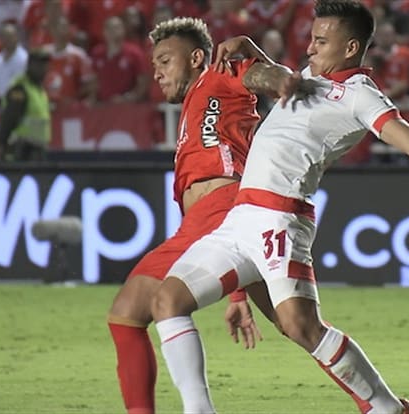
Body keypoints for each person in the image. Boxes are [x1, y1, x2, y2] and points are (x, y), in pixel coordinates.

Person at [150, 1, 409, 414]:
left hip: (278, 220)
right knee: (168, 302)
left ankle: (387, 409)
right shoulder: (312, 75)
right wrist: (250, 46)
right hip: (240, 217)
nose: (310, 48)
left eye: (321, 41)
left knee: (301, 326)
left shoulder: (359, 96)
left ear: (350, 47)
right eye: (311, 38)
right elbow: (283, 82)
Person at [107, 17, 312, 414]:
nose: (157, 73)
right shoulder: (192, 107)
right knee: (296, 325)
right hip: (206, 223)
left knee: (128, 313)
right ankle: (378, 402)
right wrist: (237, 292)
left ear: (197, 58)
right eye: (154, 64)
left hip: (225, 208)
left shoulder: (220, 76)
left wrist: (270, 69)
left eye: (165, 61)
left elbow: (269, 78)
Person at [0, 50, 52, 162]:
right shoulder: (20, 88)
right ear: (29, 65)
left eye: (45, 65)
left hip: (38, 146)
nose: (42, 69)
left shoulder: (38, 89)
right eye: (38, 65)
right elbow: (9, 116)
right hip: (22, 147)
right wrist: (1, 143)